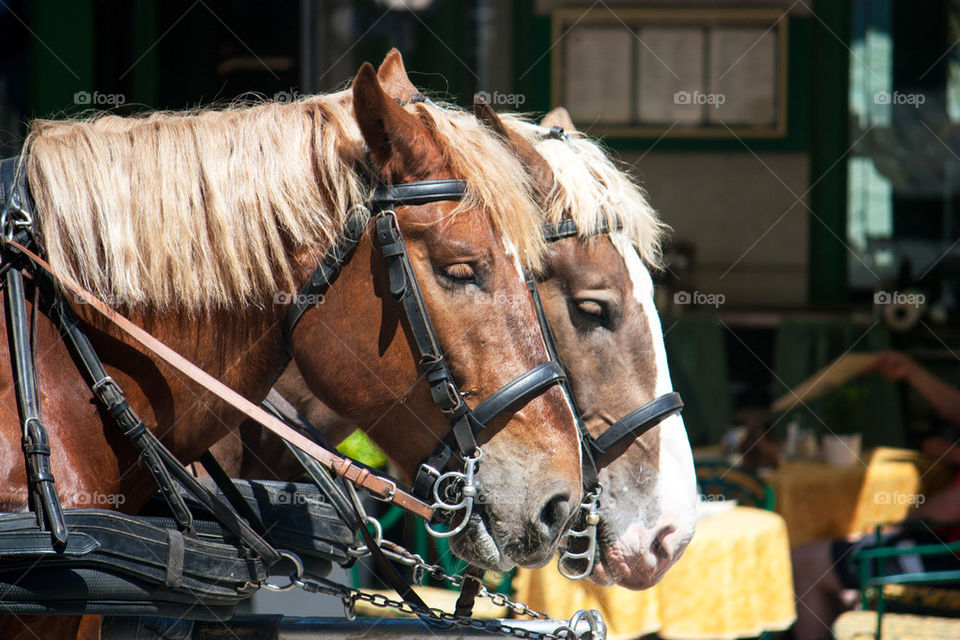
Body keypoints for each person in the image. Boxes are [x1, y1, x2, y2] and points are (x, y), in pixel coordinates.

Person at [791, 351, 960, 639]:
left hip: (948, 565)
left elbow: (944, 511)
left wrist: (889, 528)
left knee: (805, 561)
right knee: (842, 575)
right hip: (943, 551)